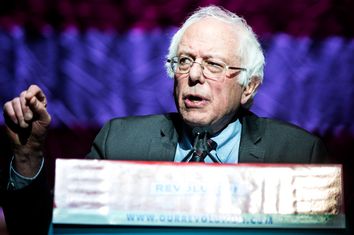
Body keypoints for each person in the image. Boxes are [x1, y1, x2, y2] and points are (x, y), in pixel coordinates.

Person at [1, 5, 328, 235]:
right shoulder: (119, 141)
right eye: (184, 60)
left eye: (213, 64)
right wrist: (27, 155)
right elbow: (39, 231)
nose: (194, 75)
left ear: (249, 87)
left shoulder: (298, 154)